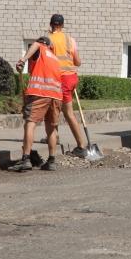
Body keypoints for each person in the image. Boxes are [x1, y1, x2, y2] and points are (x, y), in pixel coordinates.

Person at [8, 36, 62, 172]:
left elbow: (36, 45)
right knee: (51, 128)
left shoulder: (40, 47)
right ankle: (51, 161)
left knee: (30, 123)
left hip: (40, 93)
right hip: (55, 96)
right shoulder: (55, 58)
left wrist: (23, 60)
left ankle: (25, 159)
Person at [47, 13, 86, 157]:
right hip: (71, 78)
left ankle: (81, 146)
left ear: (51, 25)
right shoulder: (70, 39)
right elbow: (78, 62)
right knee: (55, 109)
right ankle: (54, 137)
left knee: (66, 112)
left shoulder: (48, 40)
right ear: (62, 25)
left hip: (59, 79)